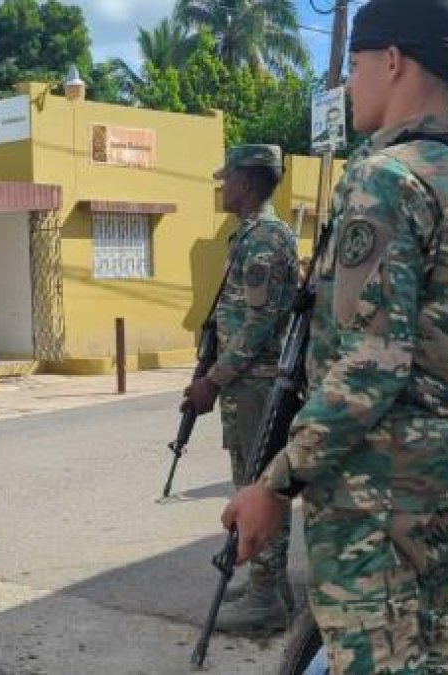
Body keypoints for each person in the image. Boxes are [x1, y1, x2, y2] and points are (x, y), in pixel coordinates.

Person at [219, 0, 448, 672]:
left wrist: (276, 482)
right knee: (435, 649)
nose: (349, 84)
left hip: (372, 491)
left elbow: (374, 361)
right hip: (435, 472)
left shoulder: (384, 179)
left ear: (392, 59)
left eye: (353, 64)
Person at [182, 144, 299, 634]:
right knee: (254, 479)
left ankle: (266, 597)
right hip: (248, 382)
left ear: (246, 184)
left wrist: (215, 378)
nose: (221, 187)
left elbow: (259, 323)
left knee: (260, 484)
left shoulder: (265, 239)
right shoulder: (250, 236)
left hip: (260, 385)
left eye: (226, 179)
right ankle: (269, 584)